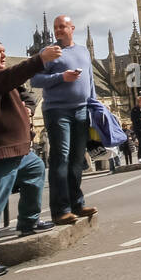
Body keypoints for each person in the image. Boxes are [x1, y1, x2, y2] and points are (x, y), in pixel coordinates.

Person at [0, 40, 60, 279]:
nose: (4, 55)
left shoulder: (1, 79)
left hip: (17, 152)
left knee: (36, 170)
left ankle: (28, 221)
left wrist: (27, 108)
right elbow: (10, 78)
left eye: (5, 51)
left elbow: (25, 94)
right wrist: (40, 59)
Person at [29, 15, 99, 226]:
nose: (58, 30)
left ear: (72, 28)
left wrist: (94, 105)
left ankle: (77, 204)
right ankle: (60, 211)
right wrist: (62, 77)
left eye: (62, 26)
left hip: (81, 110)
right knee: (61, 158)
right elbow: (35, 80)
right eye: (56, 27)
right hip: (58, 111)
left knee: (77, 159)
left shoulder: (83, 51)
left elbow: (90, 80)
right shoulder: (48, 52)